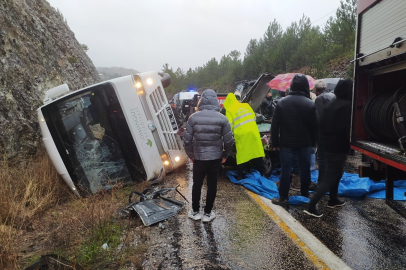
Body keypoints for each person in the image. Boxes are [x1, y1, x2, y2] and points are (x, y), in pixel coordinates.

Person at [304, 80, 353, 217]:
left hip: (326, 144)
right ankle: (312, 206)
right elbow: (345, 129)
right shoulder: (347, 106)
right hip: (337, 146)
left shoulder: (332, 105)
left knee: (336, 174)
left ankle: (333, 199)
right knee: (331, 177)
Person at [183, 89, 234, 223]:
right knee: (212, 185)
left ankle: (195, 212)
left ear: (202, 101)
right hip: (215, 158)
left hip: (199, 158)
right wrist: (225, 154)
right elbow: (229, 140)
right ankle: (207, 213)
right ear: (216, 101)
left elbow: (187, 140)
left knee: (197, 184)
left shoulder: (193, 118)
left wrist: (191, 154)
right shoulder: (222, 118)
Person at [271, 74, 318, 205]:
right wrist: (313, 143)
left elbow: (275, 126)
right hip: (305, 143)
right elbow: (315, 127)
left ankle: (283, 198)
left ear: (292, 86)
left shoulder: (281, 103)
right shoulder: (310, 104)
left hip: (286, 143)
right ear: (305, 86)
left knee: (285, 170)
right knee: (305, 170)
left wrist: (275, 143)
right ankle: (304, 194)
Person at [223, 93, 265, 179]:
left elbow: (229, 126)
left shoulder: (229, 110)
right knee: (257, 153)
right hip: (253, 132)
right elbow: (254, 117)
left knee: (242, 155)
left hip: (242, 135)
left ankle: (240, 175)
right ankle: (263, 173)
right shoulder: (246, 105)